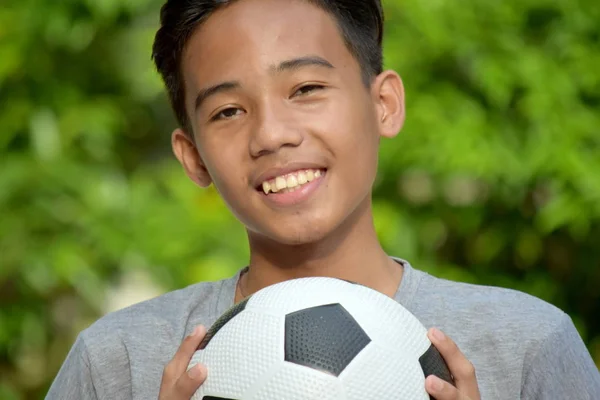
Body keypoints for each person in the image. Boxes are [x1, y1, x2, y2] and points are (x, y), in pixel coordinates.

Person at [46, 0, 600, 399]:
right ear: (193, 157)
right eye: (228, 111)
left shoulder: (527, 346)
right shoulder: (118, 363)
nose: (271, 134)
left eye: (306, 89)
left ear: (383, 103)